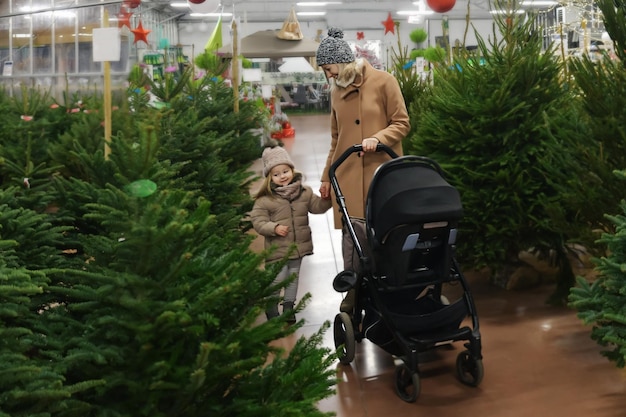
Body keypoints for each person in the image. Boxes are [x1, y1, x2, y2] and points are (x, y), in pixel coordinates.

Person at [315, 27, 411, 312]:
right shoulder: (335, 93)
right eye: (324, 71)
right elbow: (336, 139)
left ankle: (392, 295)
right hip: (347, 175)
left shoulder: (384, 82)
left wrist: (378, 139)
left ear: (343, 61)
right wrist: (326, 179)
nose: (328, 76)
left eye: (329, 68)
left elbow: (402, 123)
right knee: (352, 242)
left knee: (385, 235)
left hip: (381, 174)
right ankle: (354, 295)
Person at [250, 146, 332, 323]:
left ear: (292, 170)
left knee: (293, 278)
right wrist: (273, 227)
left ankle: (289, 308)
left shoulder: (304, 193)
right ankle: (271, 308)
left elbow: (317, 207)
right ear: (269, 178)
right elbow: (257, 220)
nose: (282, 176)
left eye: (285, 171)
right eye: (276, 174)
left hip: (298, 247)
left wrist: (328, 199)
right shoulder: (265, 200)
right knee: (277, 280)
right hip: (277, 250)